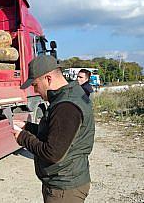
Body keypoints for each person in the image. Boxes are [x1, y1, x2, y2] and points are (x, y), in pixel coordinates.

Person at [13, 56, 95, 203]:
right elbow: (57, 133)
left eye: (36, 84)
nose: (35, 90)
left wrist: (22, 137)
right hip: (65, 182)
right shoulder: (70, 95)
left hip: (64, 188)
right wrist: (28, 127)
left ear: (48, 78)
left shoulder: (66, 106)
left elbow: (52, 153)